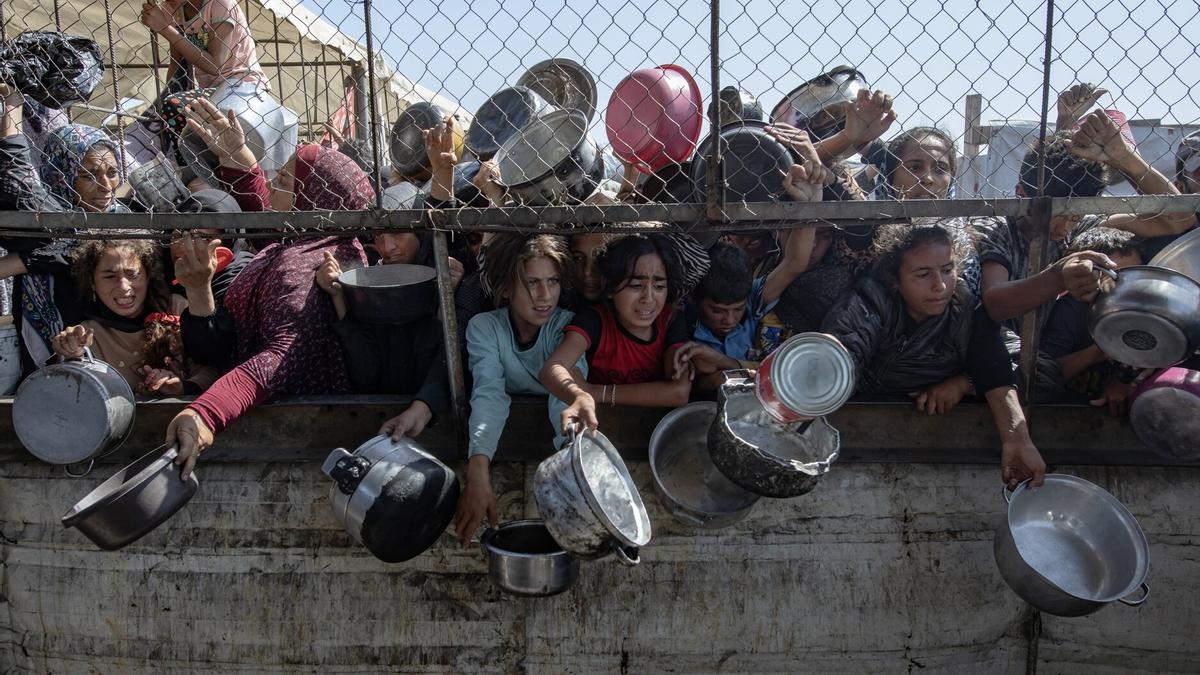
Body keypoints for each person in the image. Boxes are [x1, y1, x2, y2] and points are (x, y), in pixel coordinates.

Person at [162, 96, 375, 479]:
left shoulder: (309, 264)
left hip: (291, 430)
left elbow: (278, 360)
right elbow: (267, 220)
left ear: (309, 201)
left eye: (284, 179)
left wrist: (206, 412)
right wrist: (236, 156)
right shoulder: (312, 241)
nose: (272, 180)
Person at [822, 224, 1045, 488]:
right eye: (923, 274)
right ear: (896, 279)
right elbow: (838, 362)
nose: (939, 285)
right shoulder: (868, 305)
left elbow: (1036, 368)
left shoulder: (963, 309)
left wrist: (966, 384)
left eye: (947, 270)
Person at [977, 111, 1193, 326]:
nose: (1064, 227)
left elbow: (1178, 220)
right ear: (1021, 194)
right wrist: (1057, 277)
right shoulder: (996, 228)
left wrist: (1124, 157)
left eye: (1075, 215)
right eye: (1056, 215)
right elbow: (996, 303)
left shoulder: (1078, 228)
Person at [453, 233, 584, 547]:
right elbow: (489, 393)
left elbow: (563, 394)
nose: (545, 295)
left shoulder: (566, 327)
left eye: (552, 282)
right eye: (532, 283)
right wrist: (479, 468)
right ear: (506, 288)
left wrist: (570, 466)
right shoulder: (485, 327)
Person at [0, 83, 126, 376]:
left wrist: (20, 263)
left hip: (112, 358)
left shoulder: (127, 221)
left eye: (112, 173)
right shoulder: (45, 222)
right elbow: (17, 181)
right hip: (42, 362)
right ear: (62, 175)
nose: (106, 187)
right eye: (89, 176)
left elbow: (79, 249)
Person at [540, 232, 694, 433]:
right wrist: (579, 395)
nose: (648, 298)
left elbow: (678, 392)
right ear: (610, 287)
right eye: (636, 285)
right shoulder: (594, 320)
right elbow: (552, 368)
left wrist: (597, 392)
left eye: (659, 286)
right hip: (601, 430)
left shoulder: (671, 319)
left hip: (654, 434)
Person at [50, 239, 218, 396]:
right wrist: (72, 352)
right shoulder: (88, 335)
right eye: (109, 276)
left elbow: (212, 366)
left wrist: (182, 387)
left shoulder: (178, 309)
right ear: (92, 283)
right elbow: (75, 388)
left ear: (147, 276)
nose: (124, 287)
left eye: (133, 274)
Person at [1037, 227, 1147, 414]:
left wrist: (1125, 382)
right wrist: (1103, 349)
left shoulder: (1147, 309)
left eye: (1135, 274)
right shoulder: (1070, 311)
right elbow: (1044, 375)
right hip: (1067, 411)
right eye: (1116, 276)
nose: (1127, 285)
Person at [139, 0, 268, 94]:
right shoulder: (172, 8)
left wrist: (164, 28)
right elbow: (176, 64)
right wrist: (169, 98)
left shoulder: (220, 4)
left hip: (244, 86)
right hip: (209, 93)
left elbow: (215, 66)